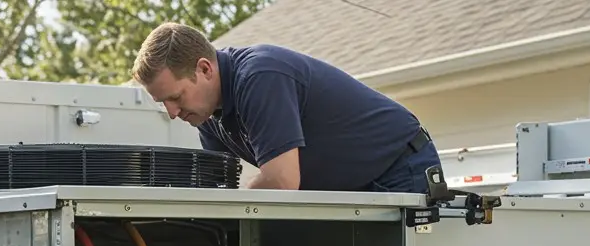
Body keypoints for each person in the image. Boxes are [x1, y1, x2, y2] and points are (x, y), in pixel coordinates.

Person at [132, 22, 442, 194]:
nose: (172, 112)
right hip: (346, 190)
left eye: (175, 97)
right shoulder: (206, 115)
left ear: (205, 69)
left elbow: (281, 182)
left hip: (400, 172)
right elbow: (219, 195)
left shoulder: (260, 77)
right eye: (163, 103)